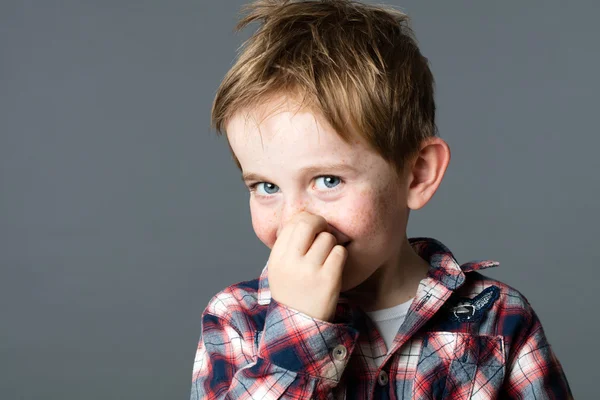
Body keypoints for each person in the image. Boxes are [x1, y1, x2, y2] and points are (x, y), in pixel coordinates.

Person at [190, 0, 573, 398]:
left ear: (418, 174)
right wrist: (297, 328)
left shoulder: (498, 319)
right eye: (267, 187)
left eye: (327, 180)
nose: (295, 221)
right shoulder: (236, 320)